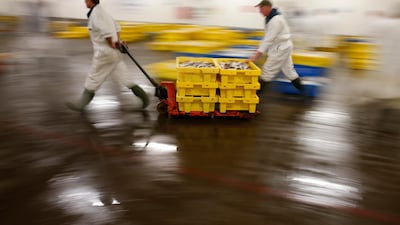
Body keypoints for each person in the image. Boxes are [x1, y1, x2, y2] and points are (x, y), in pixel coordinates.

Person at [67, 0, 149, 112]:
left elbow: (106, 32)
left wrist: (113, 44)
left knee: (93, 77)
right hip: (114, 54)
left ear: (91, 1)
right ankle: (144, 97)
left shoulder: (97, 14)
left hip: (104, 53)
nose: (85, 2)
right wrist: (118, 42)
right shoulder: (104, 13)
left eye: (86, 0)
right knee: (125, 77)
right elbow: (117, 28)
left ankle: (81, 104)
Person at [248, 0, 305, 96]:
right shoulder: (270, 18)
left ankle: (254, 96)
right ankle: (303, 92)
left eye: (261, 8)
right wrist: (258, 51)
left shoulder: (275, 20)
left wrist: (255, 56)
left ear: (267, 7)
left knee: (267, 71)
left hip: (280, 48)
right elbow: (267, 38)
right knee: (289, 72)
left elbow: (268, 40)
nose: (260, 11)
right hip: (283, 46)